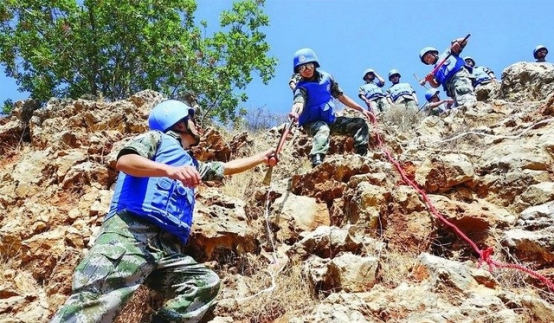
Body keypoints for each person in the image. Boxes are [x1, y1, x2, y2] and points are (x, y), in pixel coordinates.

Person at [50, 100, 275, 323]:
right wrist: (170, 171)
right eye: (193, 120)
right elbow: (126, 161)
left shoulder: (191, 163)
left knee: (203, 284)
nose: (198, 125)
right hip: (129, 236)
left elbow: (224, 168)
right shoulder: (156, 139)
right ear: (178, 123)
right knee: (92, 305)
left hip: (165, 248)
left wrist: (262, 157)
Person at [288, 48, 374, 168]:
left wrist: (362, 109)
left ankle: (362, 153)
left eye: (308, 65)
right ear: (298, 71)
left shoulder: (327, 78)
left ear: (314, 64)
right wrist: (295, 113)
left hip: (330, 120)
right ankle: (317, 161)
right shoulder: (301, 87)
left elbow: (342, 97)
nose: (306, 70)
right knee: (322, 129)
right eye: (302, 68)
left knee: (360, 123)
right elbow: (299, 102)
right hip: (312, 123)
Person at [419, 36, 476, 107]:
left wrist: (456, 42)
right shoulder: (435, 71)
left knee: (465, 96)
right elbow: (436, 84)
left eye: (428, 57)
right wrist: (430, 80)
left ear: (434, 53)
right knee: (459, 104)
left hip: (458, 77)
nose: (428, 60)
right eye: (427, 61)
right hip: (450, 88)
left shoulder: (447, 53)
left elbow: (464, 41)